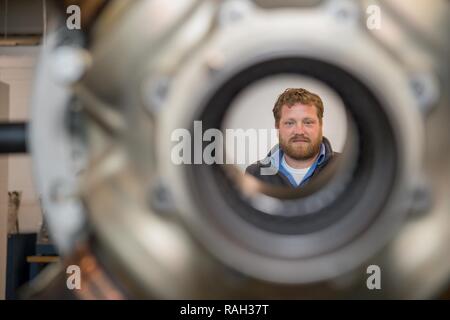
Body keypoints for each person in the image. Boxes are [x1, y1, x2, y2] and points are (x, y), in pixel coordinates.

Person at [245, 88, 340, 188]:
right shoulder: (254, 174)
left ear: (321, 125)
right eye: (290, 123)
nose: (299, 131)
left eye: (308, 122)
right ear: (277, 127)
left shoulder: (347, 166)